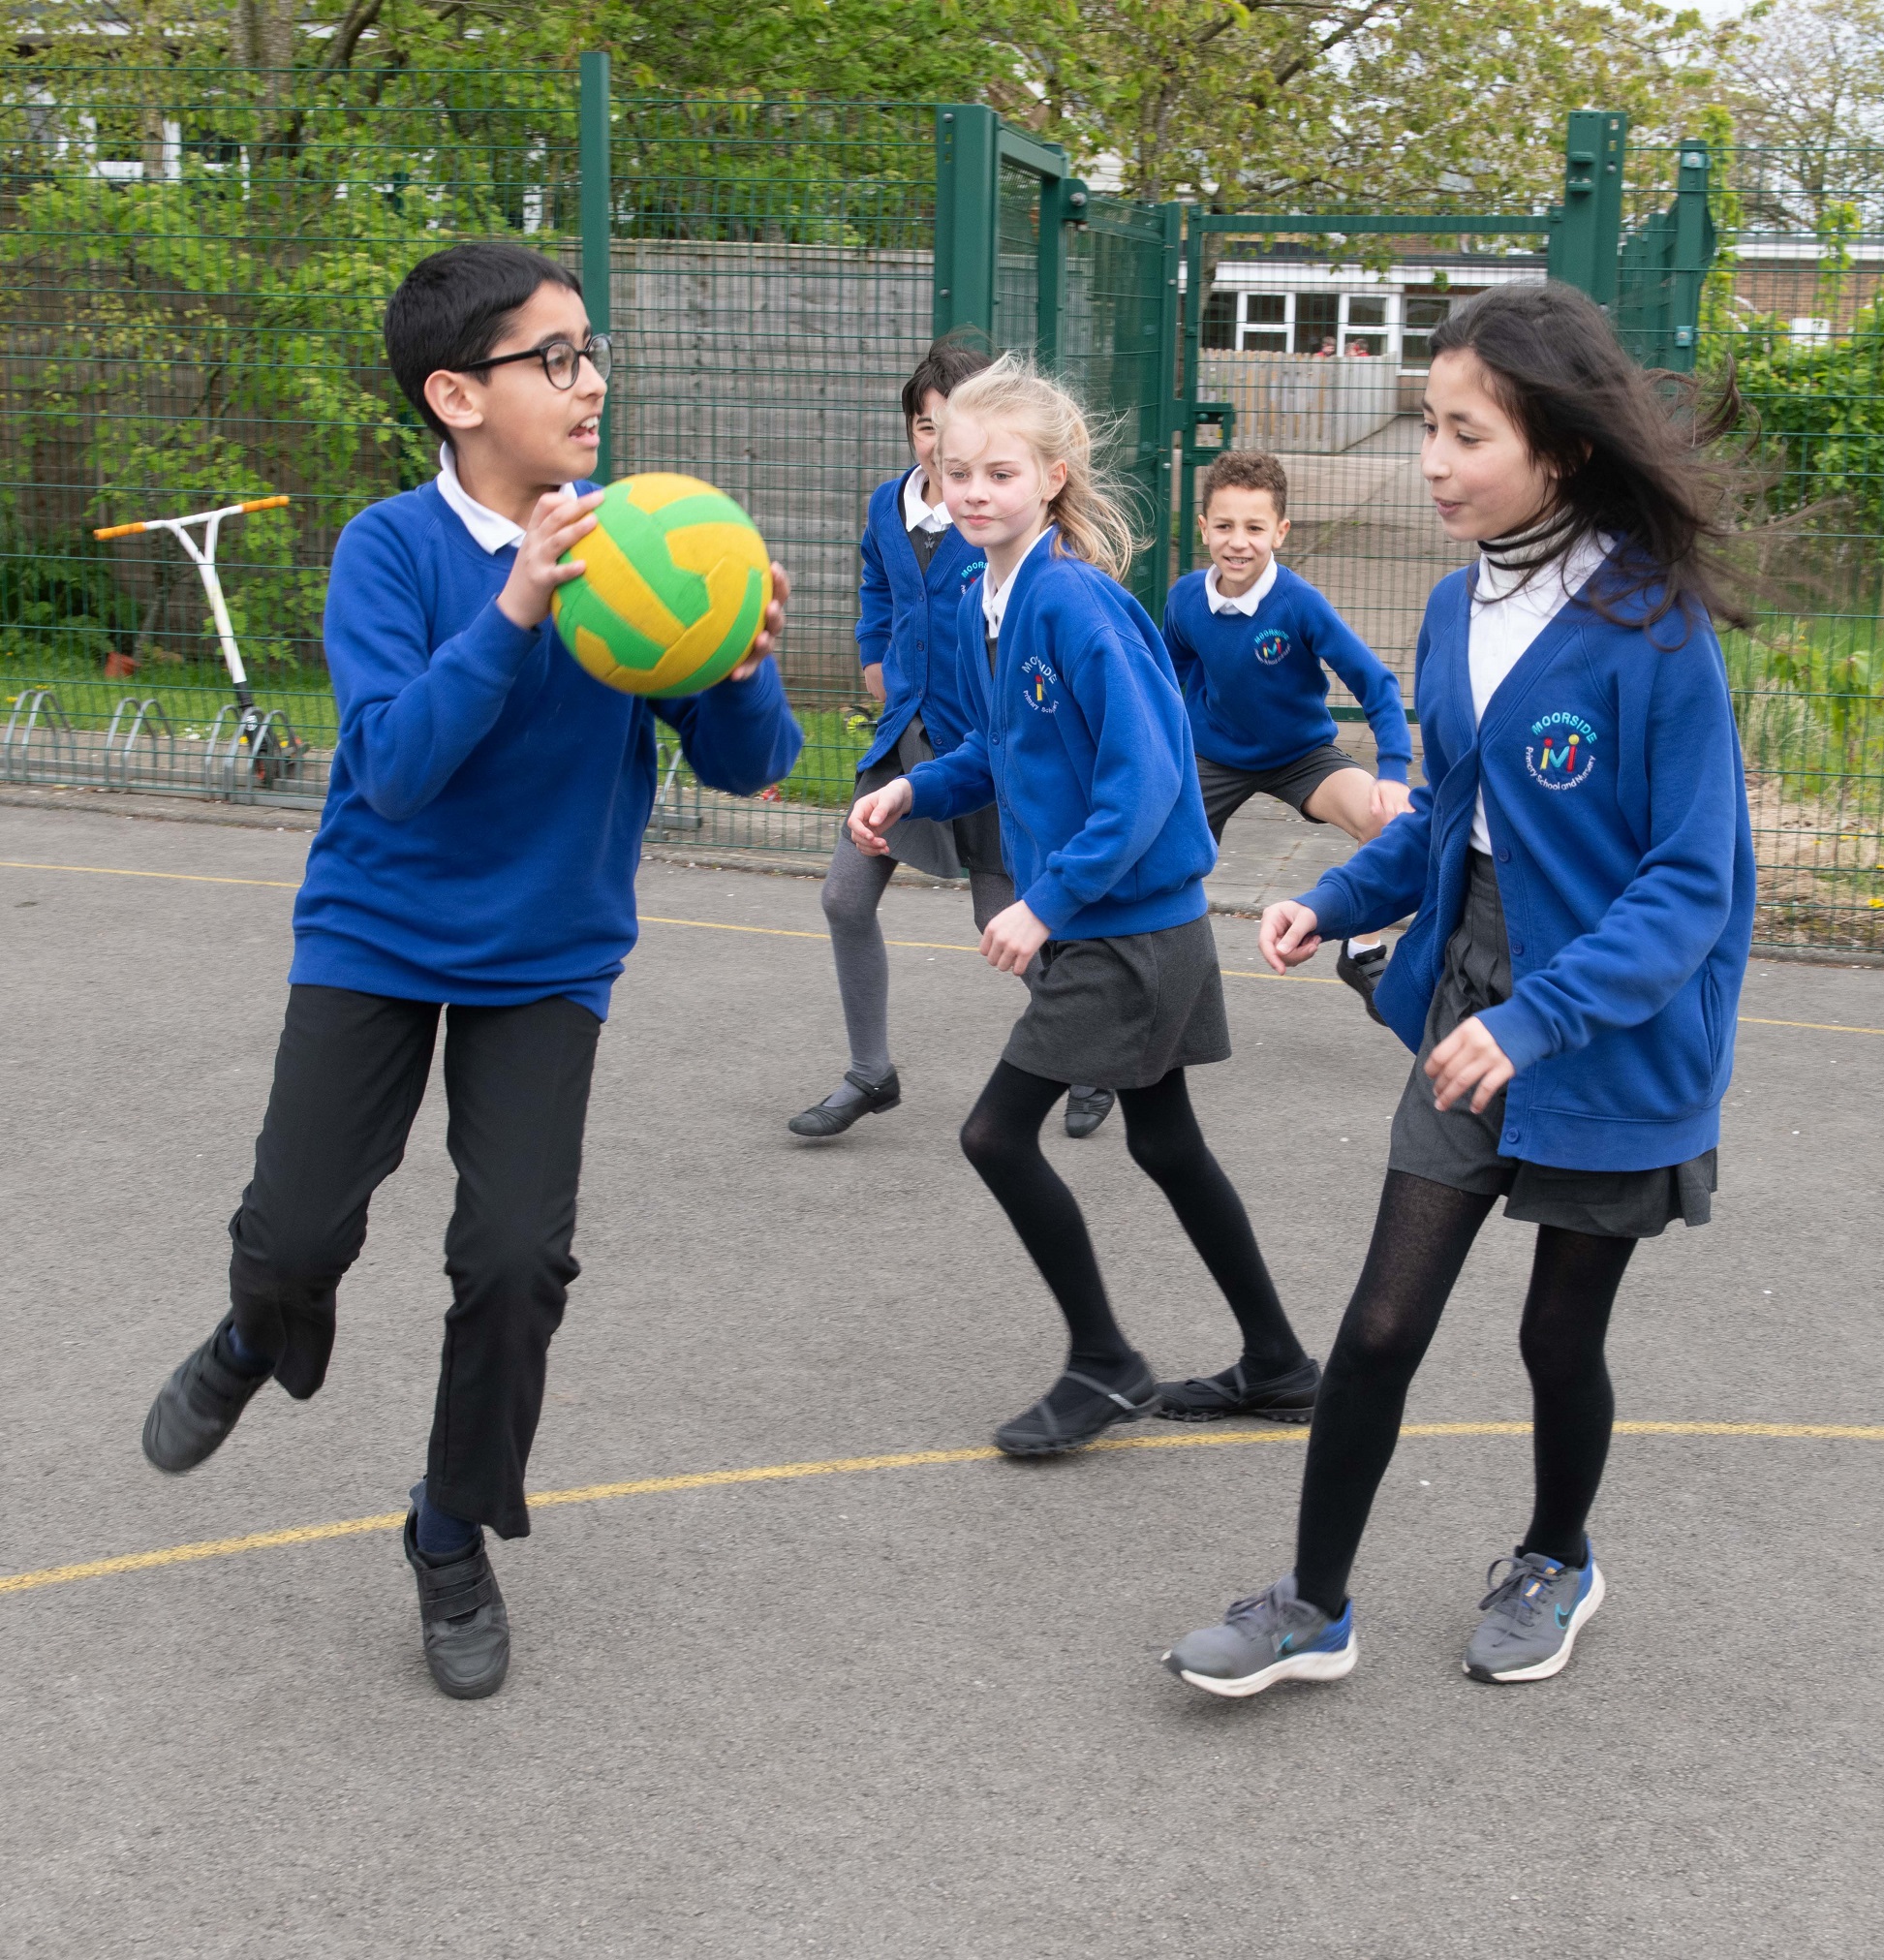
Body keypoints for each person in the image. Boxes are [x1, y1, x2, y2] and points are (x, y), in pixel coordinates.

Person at [136, 241, 804, 1699]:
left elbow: (754, 767)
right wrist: (514, 610)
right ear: (456, 394)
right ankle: (257, 1327)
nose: (590, 380)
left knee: (512, 1262)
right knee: (301, 1232)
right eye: (552, 358)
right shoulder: (392, 549)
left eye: (590, 350)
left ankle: (448, 1528)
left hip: (549, 951)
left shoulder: (649, 545)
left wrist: (743, 665)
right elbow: (391, 769)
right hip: (376, 931)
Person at [1160, 280, 1756, 1696]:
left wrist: (1539, 1015)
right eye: (1428, 424)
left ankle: (1557, 1551)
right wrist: (1333, 896)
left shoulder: (1654, 630)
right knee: (1378, 1321)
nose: (1433, 459)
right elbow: (1444, 820)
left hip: (1609, 1023)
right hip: (1473, 989)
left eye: (1465, 431)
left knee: (1558, 1332)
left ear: (1558, 444)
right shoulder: (1449, 604)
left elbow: (1690, 885)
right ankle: (1313, 1601)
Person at [848, 358, 1317, 1454]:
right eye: (954, 467)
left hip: (1128, 929)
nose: (970, 489)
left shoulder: (1072, 601)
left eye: (998, 471)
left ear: (1052, 479)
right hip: (1112, 922)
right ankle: (1281, 1362)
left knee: (993, 1134)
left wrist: (1044, 904)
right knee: (1168, 1147)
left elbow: (1145, 776)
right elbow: (1003, 745)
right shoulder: (982, 596)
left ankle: (1104, 1360)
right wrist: (920, 783)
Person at [791, 337, 1113, 1141]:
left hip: (987, 748)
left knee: (1001, 918)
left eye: (957, 428)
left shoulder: (1009, 526)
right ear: (912, 430)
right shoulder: (888, 506)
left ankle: (1088, 1058)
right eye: (927, 428)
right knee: (842, 895)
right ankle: (871, 1071)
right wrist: (875, 654)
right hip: (905, 738)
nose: (942, 446)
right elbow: (876, 579)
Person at [1164, 448, 1412, 1026]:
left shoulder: (1298, 604)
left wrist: (1395, 774)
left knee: (1388, 823)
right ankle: (1151, 990)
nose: (1238, 541)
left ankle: (1362, 949)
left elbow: (1376, 683)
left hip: (1301, 755)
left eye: (1254, 527)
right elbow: (1165, 677)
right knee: (1161, 862)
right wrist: (1167, 747)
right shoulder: (1184, 601)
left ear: (1281, 530)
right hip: (1213, 754)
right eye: (1224, 526)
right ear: (1203, 528)